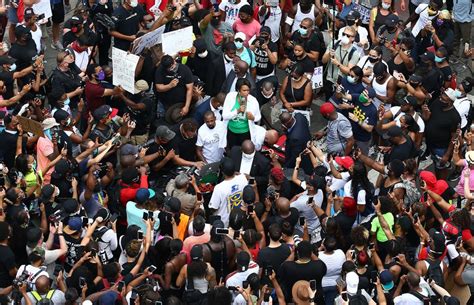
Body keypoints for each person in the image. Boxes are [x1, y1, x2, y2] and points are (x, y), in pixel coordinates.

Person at [208, 158, 248, 226]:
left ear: (223, 172)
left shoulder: (219, 188)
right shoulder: (243, 178)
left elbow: (213, 208)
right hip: (239, 219)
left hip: (224, 223)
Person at [222, 78, 261, 148]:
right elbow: (224, 116)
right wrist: (237, 111)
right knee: (233, 151)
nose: (247, 93)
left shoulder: (253, 100)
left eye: (248, 90)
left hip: (245, 133)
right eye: (244, 90)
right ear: (238, 90)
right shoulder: (230, 97)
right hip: (232, 132)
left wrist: (253, 118)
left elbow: (258, 117)